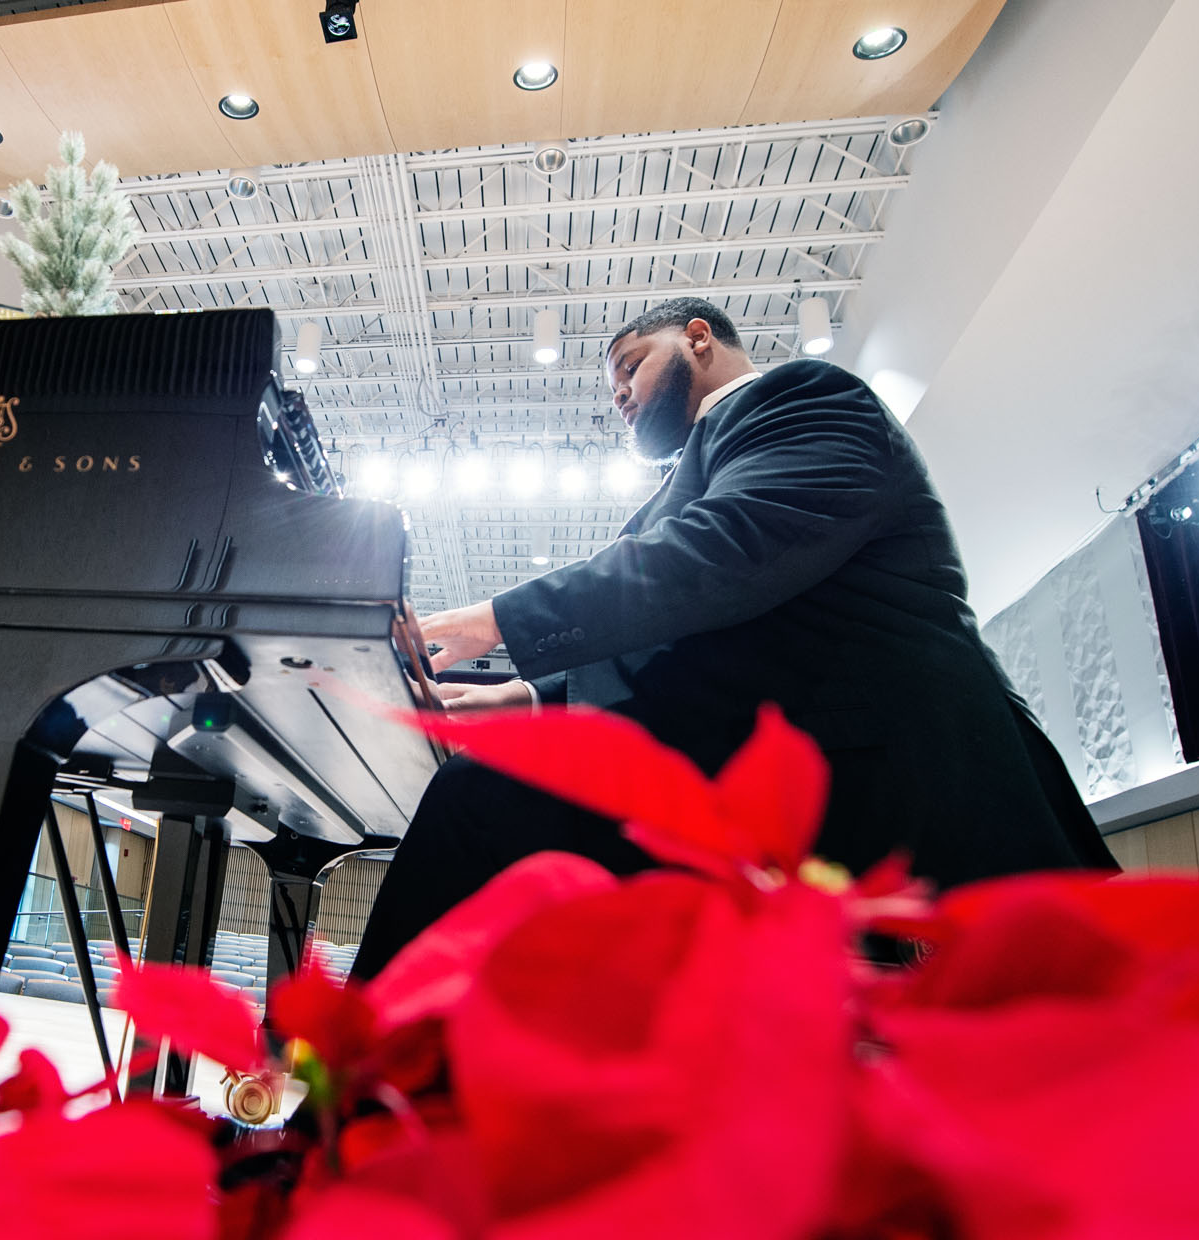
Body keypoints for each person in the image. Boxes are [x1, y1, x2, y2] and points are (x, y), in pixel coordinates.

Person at [351, 296, 1115, 980]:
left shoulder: (805, 398)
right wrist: (523, 697)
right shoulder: (699, 471)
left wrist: (497, 619)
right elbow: (684, 640)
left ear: (697, 339)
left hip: (896, 778)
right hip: (786, 783)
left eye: (630, 366)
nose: (618, 395)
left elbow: (723, 554)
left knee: (480, 801)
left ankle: (353, 1099)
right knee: (483, 802)